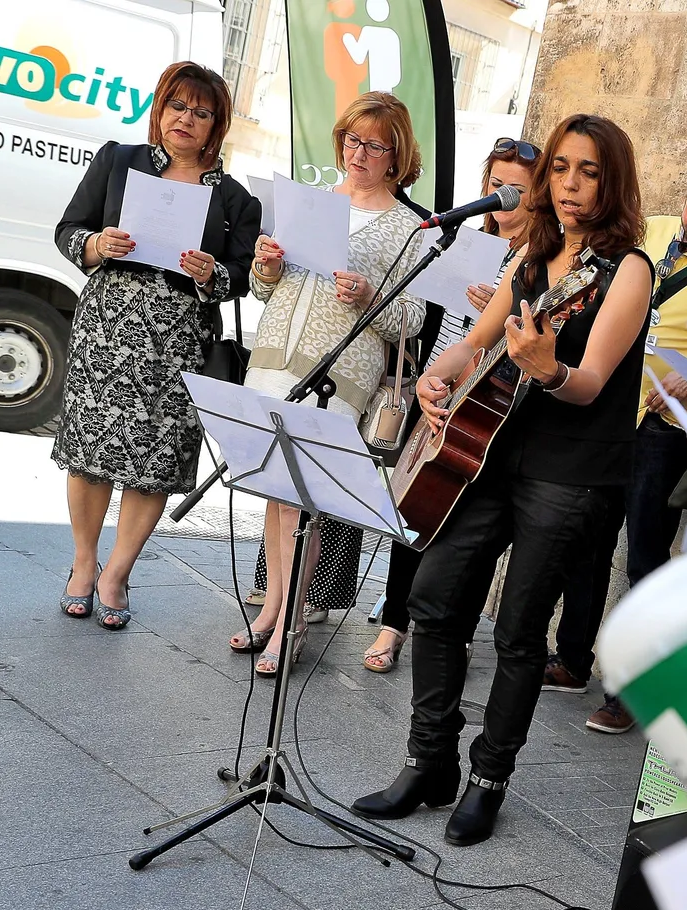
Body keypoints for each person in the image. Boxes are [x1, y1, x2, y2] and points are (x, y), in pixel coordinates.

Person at [351, 113, 655, 846]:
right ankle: (429, 761)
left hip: (572, 470)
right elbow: (476, 345)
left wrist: (549, 369)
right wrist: (436, 378)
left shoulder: (629, 269)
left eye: (588, 171)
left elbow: (589, 381)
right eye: (561, 168)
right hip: (490, 455)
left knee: (519, 630)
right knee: (434, 596)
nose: (571, 184)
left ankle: (487, 780)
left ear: (612, 182)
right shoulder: (533, 251)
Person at [543, 157, 687, 733]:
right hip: (606, 413)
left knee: (645, 560)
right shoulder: (655, 230)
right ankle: (572, 658)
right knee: (587, 542)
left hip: (664, 432)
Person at [51, 63, 258, 631]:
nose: (185, 119)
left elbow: (242, 276)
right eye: (177, 106)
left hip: (179, 340)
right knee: (90, 451)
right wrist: (97, 243)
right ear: (160, 109)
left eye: (201, 112)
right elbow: (68, 231)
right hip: (107, 328)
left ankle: (117, 574)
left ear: (216, 126)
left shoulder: (235, 199)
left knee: (156, 461)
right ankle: (84, 563)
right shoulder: (119, 161)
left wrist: (212, 273)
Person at [233, 92, 427, 675]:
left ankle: (290, 623)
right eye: (352, 140)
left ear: (397, 156)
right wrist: (266, 266)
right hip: (275, 360)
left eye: (375, 146)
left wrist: (369, 296)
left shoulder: (410, 226)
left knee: (304, 502)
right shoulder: (309, 202)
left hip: (337, 377)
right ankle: (272, 609)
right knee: (277, 494)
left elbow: (414, 320)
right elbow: (265, 289)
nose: (359, 153)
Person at [365, 136, 539, 673]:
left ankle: (454, 629)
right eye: (496, 184)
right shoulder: (463, 239)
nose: (504, 196)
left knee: (471, 520)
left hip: (488, 399)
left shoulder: (539, 259)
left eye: (517, 189)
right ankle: (394, 622)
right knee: (411, 505)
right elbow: (428, 316)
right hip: (440, 386)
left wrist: (501, 312)